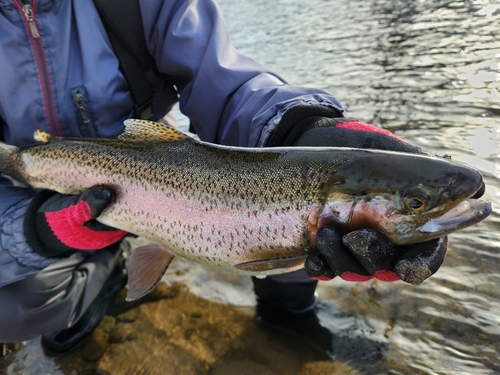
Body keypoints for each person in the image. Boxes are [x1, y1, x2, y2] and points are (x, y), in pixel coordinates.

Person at [0, 0, 453, 356]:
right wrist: (33, 232)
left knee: (292, 233)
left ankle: (286, 318)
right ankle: (94, 279)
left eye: (413, 205)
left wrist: (297, 127)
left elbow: (228, 84)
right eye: (414, 204)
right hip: (32, 196)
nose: (418, 209)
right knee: (10, 305)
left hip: (158, 167)